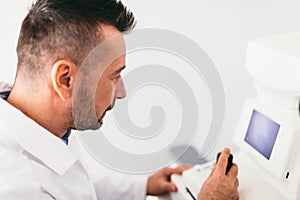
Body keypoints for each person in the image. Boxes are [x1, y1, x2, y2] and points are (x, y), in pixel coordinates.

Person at [0, 0, 239, 199]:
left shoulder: (39, 119)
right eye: (114, 76)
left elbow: (77, 186)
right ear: (65, 80)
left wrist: (143, 186)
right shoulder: (19, 188)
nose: (122, 92)